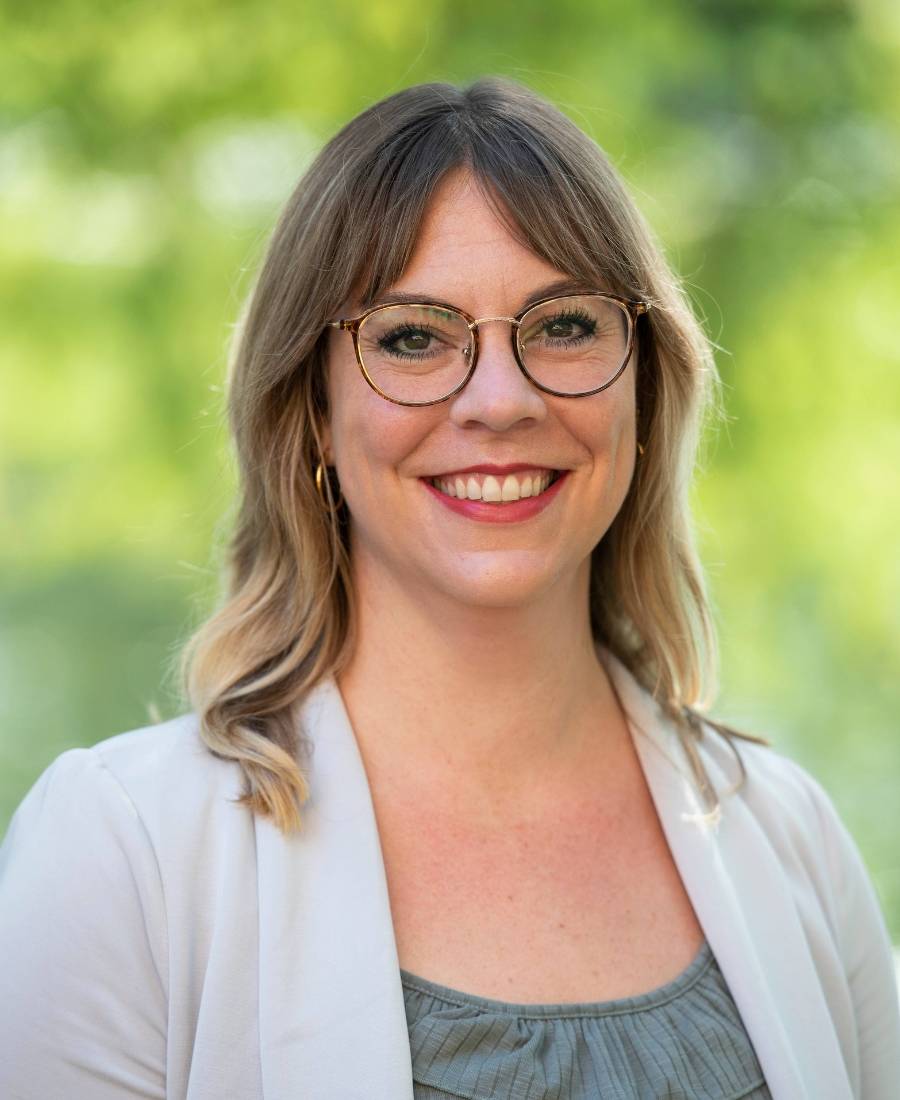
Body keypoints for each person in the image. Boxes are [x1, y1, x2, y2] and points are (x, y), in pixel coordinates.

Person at [0, 77, 897, 1100]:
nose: (502, 400)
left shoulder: (790, 837)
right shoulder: (122, 857)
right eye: (413, 338)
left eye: (564, 325)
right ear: (314, 413)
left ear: (644, 385)